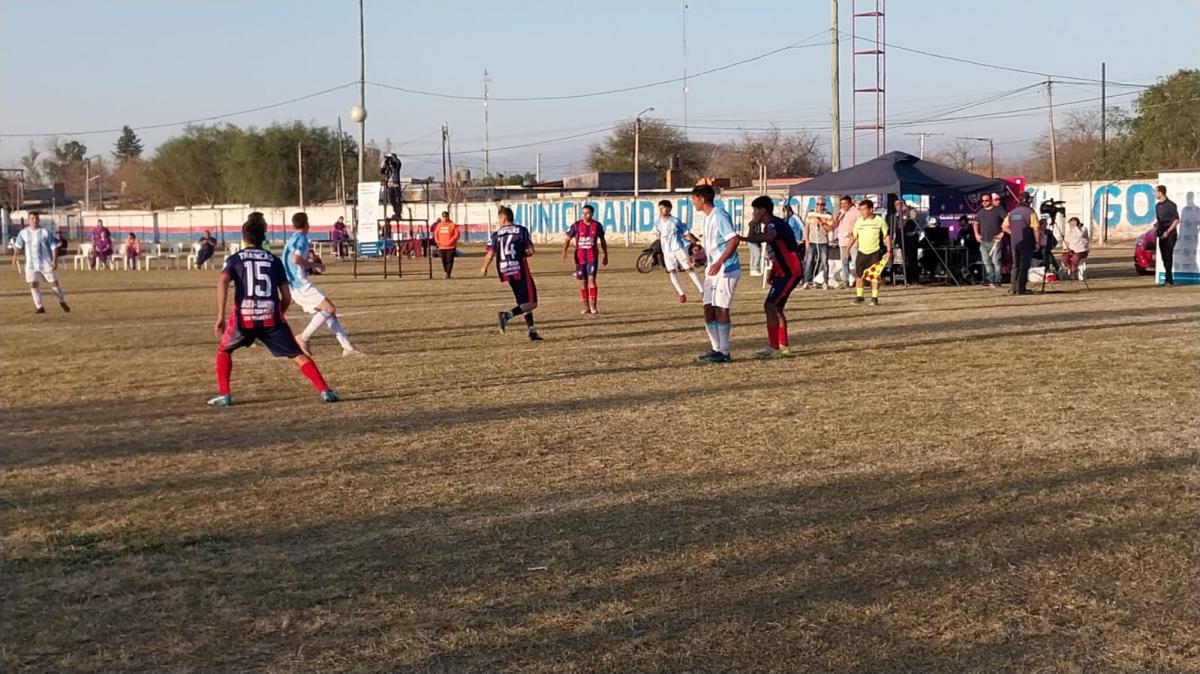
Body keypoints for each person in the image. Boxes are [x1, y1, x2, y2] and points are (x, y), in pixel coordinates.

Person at [208, 216, 339, 406]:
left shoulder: (235, 259)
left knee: (224, 350)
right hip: (270, 316)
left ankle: (225, 394)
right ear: (263, 238)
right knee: (296, 354)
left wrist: (220, 316)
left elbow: (222, 281)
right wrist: (280, 314)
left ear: (244, 238)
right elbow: (286, 296)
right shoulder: (274, 261)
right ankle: (325, 391)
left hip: (244, 317)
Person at [284, 212, 359, 357]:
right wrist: (314, 265)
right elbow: (296, 259)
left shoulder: (291, 240)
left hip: (294, 284)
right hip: (300, 284)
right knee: (329, 309)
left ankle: (348, 348)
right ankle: (302, 338)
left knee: (328, 312)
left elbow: (287, 261)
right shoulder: (302, 239)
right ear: (307, 224)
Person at [742, 196, 802, 359]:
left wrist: (743, 237)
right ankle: (780, 346)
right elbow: (756, 241)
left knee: (771, 305)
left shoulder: (776, 224)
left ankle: (778, 346)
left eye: (755, 211)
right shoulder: (769, 225)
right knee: (774, 307)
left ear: (762, 210)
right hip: (781, 271)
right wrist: (752, 227)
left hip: (791, 271)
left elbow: (767, 238)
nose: (753, 214)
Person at [692, 184, 741, 363]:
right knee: (708, 308)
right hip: (712, 269)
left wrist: (720, 262)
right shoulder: (707, 218)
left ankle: (725, 352)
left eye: (694, 199)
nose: (693, 203)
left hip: (727, 269)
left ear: (702, 199)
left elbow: (733, 240)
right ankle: (716, 348)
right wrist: (700, 256)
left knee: (721, 308)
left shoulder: (720, 215)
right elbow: (715, 246)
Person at [482, 206, 542, 341]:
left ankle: (532, 330)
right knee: (532, 302)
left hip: (505, 270)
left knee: (523, 301)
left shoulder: (496, 234)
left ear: (503, 218)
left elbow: (490, 253)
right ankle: (507, 315)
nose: (498, 221)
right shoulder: (521, 230)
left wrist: (484, 267)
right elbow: (530, 251)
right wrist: (526, 252)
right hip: (519, 269)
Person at [14, 212, 70, 314]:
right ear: (28, 220)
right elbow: (18, 246)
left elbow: (53, 246)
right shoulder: (23, 233)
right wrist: (14, 257)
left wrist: (54, 260)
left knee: (54, 283)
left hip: (46, 263)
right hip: (31, 265)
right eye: (32, 218)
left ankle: (62, 301)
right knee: (33, 284)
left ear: (39, 220)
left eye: (36, 218)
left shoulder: (45, 232)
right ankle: (39, 307)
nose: (34, 220)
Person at [562, 204, 608, 314]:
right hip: (579, 257)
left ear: (592, 214)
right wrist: (564, 251)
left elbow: (602, 240)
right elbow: (567, 239)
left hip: (592, 257)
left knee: (592, 280)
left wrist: (606, 254)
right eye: (583, 213)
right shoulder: (576, 225)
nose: (585, 215)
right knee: (583, 282)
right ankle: (585, 306)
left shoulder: (597, 225)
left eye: (587, 213)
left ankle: (593, 306)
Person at [654, 200, 703, 302]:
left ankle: (702, 291)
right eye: (660, 208)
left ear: (669, 209)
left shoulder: (675, 221)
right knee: (672, 271)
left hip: (678, 248)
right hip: (667, 251)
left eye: (663, 208)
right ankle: (681, 294)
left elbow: (686, 233)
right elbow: (659, 234)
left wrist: (694, 243)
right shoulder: (657, 222)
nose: (661, 210)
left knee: (689, 269)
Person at [847, 199, 892, 306]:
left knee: (874, 276)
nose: (862, 212)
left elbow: (887, 236)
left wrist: (889, 251)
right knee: (859, 275)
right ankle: (859, 296)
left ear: (871, 209)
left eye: (864, 209)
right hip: (861, 252)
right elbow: (854, 236)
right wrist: (847, 249)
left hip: (875, 252)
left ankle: (874, 297)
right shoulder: (859, 221)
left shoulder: (880, 221)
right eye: (860, 210)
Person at [1001, 192, 1040, 296]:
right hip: (1027, 243)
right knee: (1024, 266)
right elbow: (1036, 228)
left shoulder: (1012, 213)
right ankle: (1021, 289)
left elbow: (1004, 227)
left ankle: (1013, 288)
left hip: (1015, 243)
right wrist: (1037, 242)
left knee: (1015, 266)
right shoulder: (1030, 212)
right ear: (1028, 201)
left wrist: (1013, 233)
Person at [972, 193, 1005, 287]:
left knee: (996, 261)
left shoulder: (999, 210)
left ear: (991, 200)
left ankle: (998, 281)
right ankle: (990, 280)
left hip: (996, 241)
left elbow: (1006, 221)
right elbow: (975, 223)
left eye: (986, 200)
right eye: (982, 201)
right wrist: (976, 234)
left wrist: (1002, 233)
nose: (984, 202)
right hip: (983, 241)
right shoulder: (980, 212)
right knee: (986, 262)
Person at [802, 197, 834, 289]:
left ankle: (825, 281)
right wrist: (806, 241)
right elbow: (807, 227)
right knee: (808, 261)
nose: (820, 206)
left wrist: (821, 223)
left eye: (822, 204)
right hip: (812, 241)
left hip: (823, 242)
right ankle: (807, 281)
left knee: (824, 262)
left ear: (825, 205)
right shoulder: (811, 213)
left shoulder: (828, 215)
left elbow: (830, 229)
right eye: (818, 204)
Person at [1153, 185, 1180, 286]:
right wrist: (1156, 225)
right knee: (1164, 257)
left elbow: (1176, 220)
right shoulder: (1157, 206)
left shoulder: (1171, 205)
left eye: (1156, 192)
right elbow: (1159, 220)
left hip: (1170, 234)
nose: (1155, 194)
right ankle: (1169, 279)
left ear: (1161, 193)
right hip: (1161, 234)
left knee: (1168, 256)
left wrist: (1168, 232)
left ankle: (1169, 280)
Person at [834, 195, 860, 288]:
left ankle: (858, 281)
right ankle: (845, 282)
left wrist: (852, 233)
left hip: (853, 242)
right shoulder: (841, 212)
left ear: (850, 203)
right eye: (841, 204)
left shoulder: (856, 212)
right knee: (844, 262)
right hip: (842, 241)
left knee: (855, 262)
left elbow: (859, 225)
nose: (843, 205)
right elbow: (836, 225)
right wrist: (837, 218)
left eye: (845, 203)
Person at [432, 211, 460, 278]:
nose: (444, 218)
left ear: (448, 217)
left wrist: (452, 240)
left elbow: (457, 234)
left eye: (446, 216)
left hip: (450, 246)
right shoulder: (439, 225)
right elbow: (436, 234)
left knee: (449, 260)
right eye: (443, 217)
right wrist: (437, 242)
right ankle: (446, 271)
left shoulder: (452, 225)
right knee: (443, 260)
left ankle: (448, 273)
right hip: (441, 246)